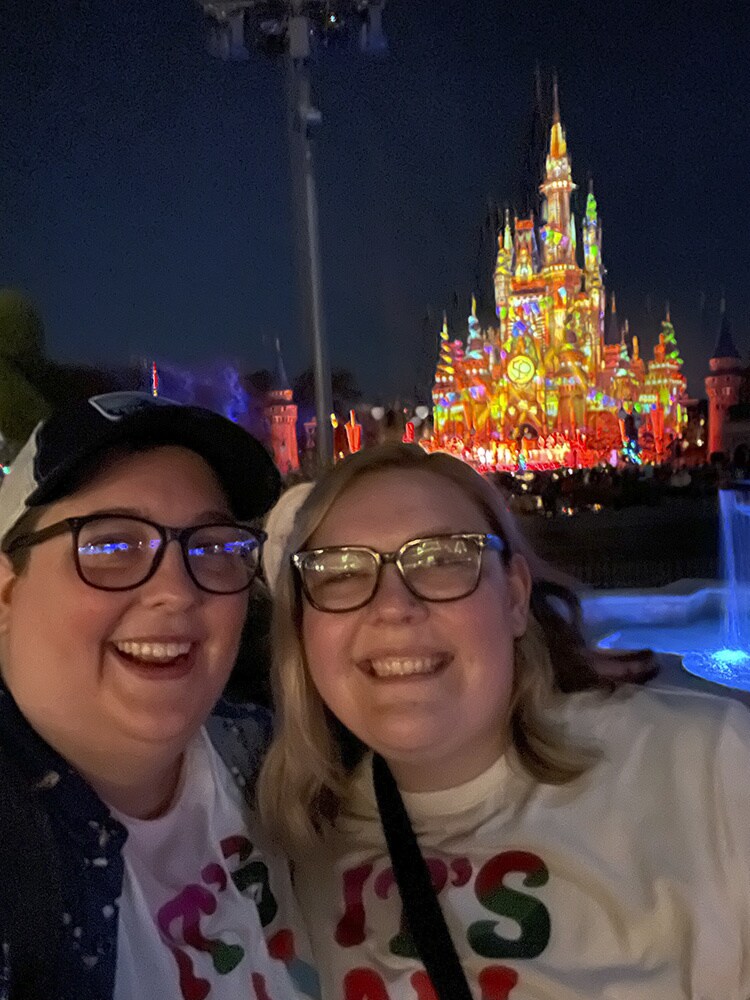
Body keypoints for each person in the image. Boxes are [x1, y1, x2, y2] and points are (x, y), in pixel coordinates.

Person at [259, 442, 750, 1000]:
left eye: (444, 559)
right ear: (301, 627)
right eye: (341, 570)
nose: (392, 606)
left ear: (514, 597)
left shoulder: (706, 770)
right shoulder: (282, 856)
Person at [0, 392, 319, 1000]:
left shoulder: (280, 760)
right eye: (111, 546)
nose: (176, 591)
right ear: (7, 595)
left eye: (212, 548)